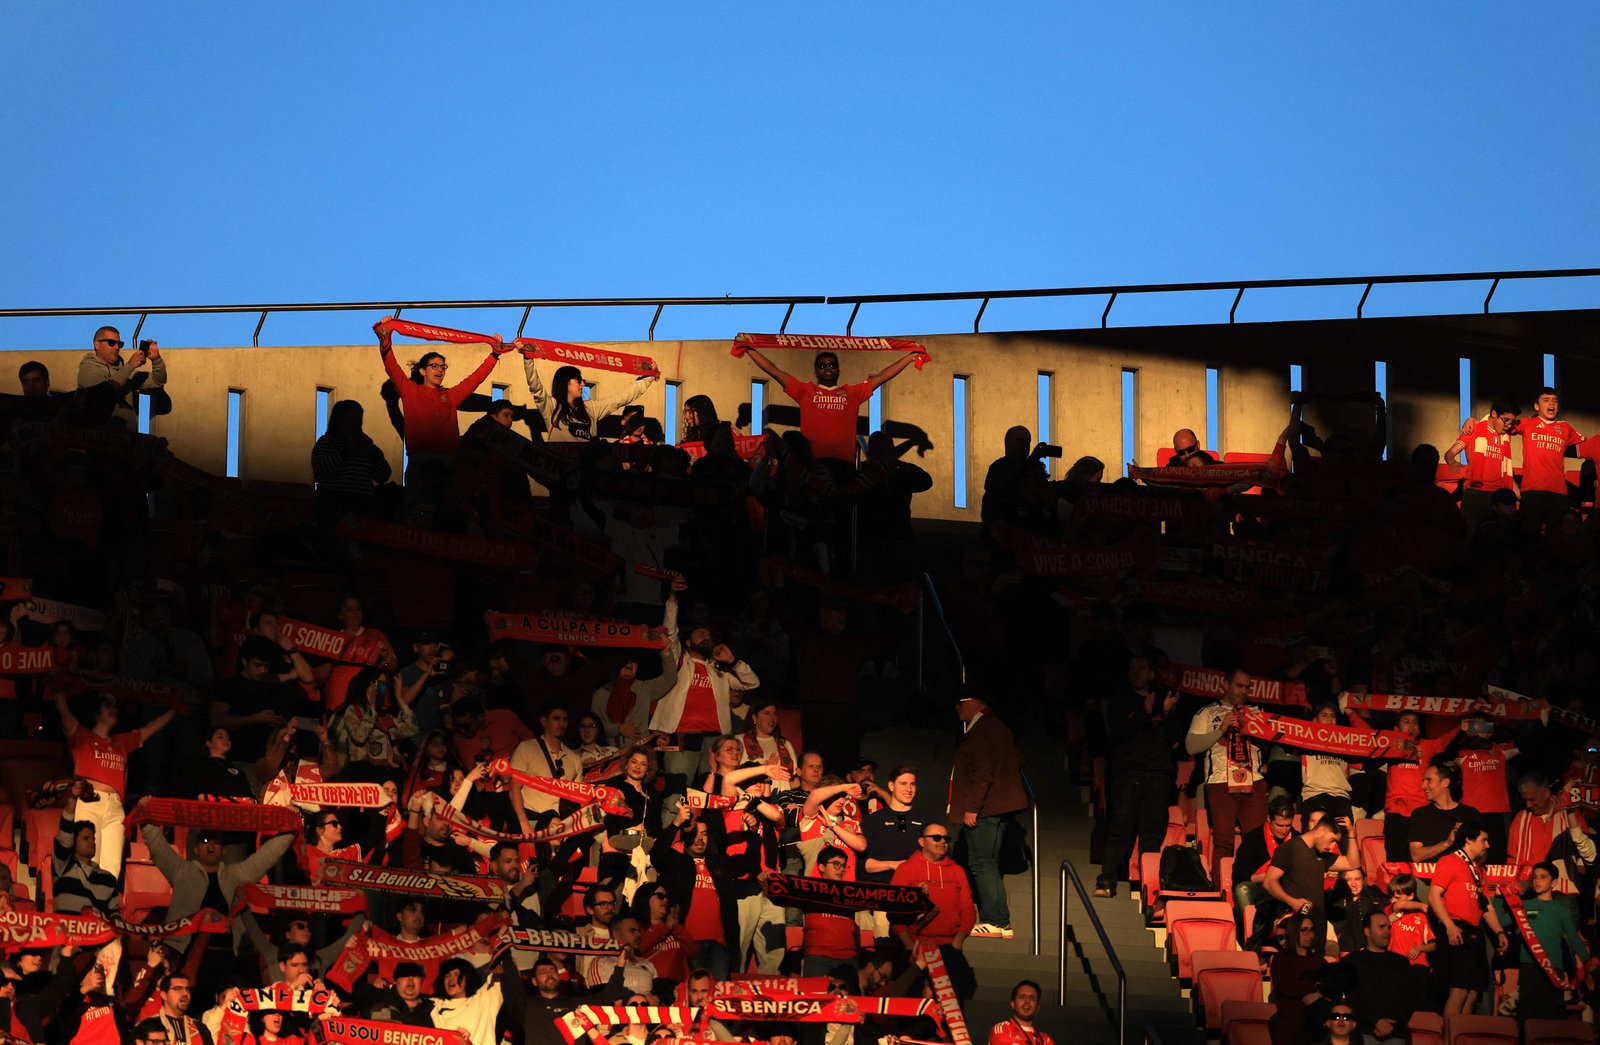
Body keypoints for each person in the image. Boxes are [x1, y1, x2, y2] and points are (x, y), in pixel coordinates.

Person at [52, 688, 177, 879]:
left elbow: (150, 729)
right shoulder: (82, 737)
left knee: (111, 870)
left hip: (116, 809)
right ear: (96, 712)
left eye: (114, 706)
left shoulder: (121, 742)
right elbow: (64, 712)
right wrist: (57, 689)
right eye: (107, 706)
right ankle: (85, 907)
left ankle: (104, 908)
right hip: (89, 803)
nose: (113, 709)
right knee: (87, 862)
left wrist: (174, 710)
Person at [374, 317, 510, 482]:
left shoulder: (451, 396)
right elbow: (391, 366)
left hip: (449, 462)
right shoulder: (409, 390)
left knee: (448, 507)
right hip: (421, 460)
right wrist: (386, 336)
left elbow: (474, 379)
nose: (440, 370)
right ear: (423, 371)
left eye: (443, 367)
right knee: (418, 506)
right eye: (435, 366)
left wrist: (495, 354)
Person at [736, 346, 921, 466]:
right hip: (812, 463)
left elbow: (881, 377)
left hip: (844, 464)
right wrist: (749, 349)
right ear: (815, 370)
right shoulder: (805, 391)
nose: (827, 368)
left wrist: (910, 358)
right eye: (822, 365)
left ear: (839, 371)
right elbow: (774, 371)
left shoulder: (852, 393)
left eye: (832, 365)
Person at [647, 590, 760, 785]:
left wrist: (732, 661)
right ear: (688, 642)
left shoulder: (719, 671)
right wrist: (672, 599)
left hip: (715, 740)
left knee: (711, 794)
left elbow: (752, 682)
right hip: (682, 736)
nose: (705, 637)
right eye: (700, 634)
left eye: (709, 636)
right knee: (677, 793)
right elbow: (670, 632)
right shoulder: (679, 661)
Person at [1095, 656, 1182, 898]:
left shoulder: (1164, 701)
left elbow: (1176, 740)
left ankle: (1149, 886)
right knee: (1121, 827)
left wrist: (1165, 713)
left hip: (1157, 775)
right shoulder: (1120, 701)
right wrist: (1145, 713)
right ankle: (1106, 880)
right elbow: (1118, 733)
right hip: (1127, 772)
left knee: (1151, 833)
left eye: (1141, 668)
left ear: (1152, 674)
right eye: (1131, 668)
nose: (1135, 672)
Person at [951, 694, 1029, 938]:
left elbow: (984, 772)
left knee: (982, 863)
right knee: (988, 863)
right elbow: (1017, 759)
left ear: (975, 702)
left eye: (961, 703)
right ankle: (1000, 922)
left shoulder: (984, 728)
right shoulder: (997, 728)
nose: (957, 708)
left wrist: (973, 807)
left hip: (986, 809)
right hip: (996, 807)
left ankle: (995, 920)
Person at [1185, 667, 1267, 884]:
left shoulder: (1256, 712)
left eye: (1247, 687)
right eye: (1239, 686)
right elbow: (1191, 747)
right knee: (1223, 841)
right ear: (1225, 685)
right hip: (1220, 782)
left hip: (1254, 782)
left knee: (1257, 841)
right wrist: (1221, 730)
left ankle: (1253, 889)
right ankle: (1223, 888)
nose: (1244, 691)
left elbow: (1273, 741)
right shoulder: (1207, 712)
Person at [1427, 824, 1511, 1017]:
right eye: (1483, 840)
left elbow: (1485, 904)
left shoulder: (1477, 869)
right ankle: (1450, 1037)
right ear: (1468, 840)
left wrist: (1498, 931)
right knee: (1459, 990)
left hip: (1475, 932)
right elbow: (1434, 895)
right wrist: (1449, 925)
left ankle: (1460, 1035)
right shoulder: (1449, 861)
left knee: (1473, 992)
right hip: (1457, 929)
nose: (1488, 845)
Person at [1492, 861, 1589, 1021]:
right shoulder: (1523, 906)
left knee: (1551, 1014)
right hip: (1529, 966)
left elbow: (1573, 937)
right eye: (1535, 877)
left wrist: (1587, 963)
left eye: (1543, 877)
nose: (1537, 881)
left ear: (1554, 883)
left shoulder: (1561, 910)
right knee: (1528, 1013)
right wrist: (1497, 897)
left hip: (1553, 969)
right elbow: (1501, 921)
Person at [1262, 810, 1355, 953]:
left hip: (1318, 921)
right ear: (1320, 830)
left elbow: (1352, 863)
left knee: (1316, 967)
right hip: (1296, 922)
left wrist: (1351, 833)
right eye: (1332, 840)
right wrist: (1291, 901)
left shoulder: (1322, 854)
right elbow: (1269, 882)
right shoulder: (1290, 848)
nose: (1332, 846)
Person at [521, 356, 655, 443]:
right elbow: (536, 387)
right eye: (579, 380)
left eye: (583, 381)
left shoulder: (591, 408)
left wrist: (649, 377)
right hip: (562, 476)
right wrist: (528, 359)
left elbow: (621, 398)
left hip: (586, 476)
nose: (583, 384)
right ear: (565, 382)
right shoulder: (551, 406)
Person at [1338, 911, 1417, 1044]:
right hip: (1363, 1033)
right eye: (1381, 927)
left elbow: (1409, 997)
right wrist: (1376, 1021)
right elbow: (1352, 998)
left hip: (1396, 1033)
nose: (1387, 931)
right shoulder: (1352, 961)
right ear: (1367, 932)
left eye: (1388, 927)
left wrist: (1392, 1023)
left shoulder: (1401, 962)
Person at [1507, 771, 1595, 891]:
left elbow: (1585, 850)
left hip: (1563, 890)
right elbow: (1512, 859)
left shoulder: (1568, 813)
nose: (1528, 805)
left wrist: (1579, 870)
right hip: (1529, 889)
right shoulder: (1520, 819)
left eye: (1532, 799)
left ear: (1546, 793)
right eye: (1525, 800)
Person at [1443, 394, 1519, 530]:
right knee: (1470, 534)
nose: (1508, 425)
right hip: (1476, 493)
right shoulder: (1474, 428)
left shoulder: (1506, 436)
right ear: (1494, 414)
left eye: (1512, 422)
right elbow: (1450, 453)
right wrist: (1451, 460)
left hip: (1499, 495)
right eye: (1506, 420)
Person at [311, 399, 392, 526]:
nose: (356, 423)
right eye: (352, 418)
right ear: (340, 419)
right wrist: (346, 450)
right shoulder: (327, 442)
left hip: (363, 507)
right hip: (333, 504)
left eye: (359, 418)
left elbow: (384, 476)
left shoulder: (367, 447)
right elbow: (321, 470)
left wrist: (374, 454)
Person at [508, 702, 584, 833]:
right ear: (544, 721)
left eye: (564, 719)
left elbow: (578, 797)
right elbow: (514, 788)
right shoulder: (526, 748)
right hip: (532, 820)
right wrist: (523, 823)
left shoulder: (574, 758)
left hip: (561, 824)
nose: (561, 723)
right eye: (556, 718)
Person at [1516, 386, 1583, 533]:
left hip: (1558, 492)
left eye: (1555, 401)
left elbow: (1587, 446)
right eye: (1546, 400)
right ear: (1537, 406)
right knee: (1529, 535)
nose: (1551, 404)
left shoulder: (1565, 427)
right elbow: (1503, 424)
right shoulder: (1527, 423)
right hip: (1532, 490)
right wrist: (1474, 421)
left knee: (1556, 537)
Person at [52, 780, 120, 916]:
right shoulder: (63, 866)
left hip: (96, 936)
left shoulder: (108, 879)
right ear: (74, 842)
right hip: (66, 934)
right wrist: (72, 800)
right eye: (85, 838)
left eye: (93, 838)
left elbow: (115, 917)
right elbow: (65, 833)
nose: (92, 842)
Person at [77, 326, 166, 426]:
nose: (116, 347)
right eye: (111, 343)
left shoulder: (124, 371)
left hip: (125, 436)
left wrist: (156, 360)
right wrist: (130, 366)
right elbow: (100, 394)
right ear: (97, 344)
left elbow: (157, 382)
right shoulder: (89, 367)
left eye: (119, 344)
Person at [1407, 762, 1481, 866]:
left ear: (1445, 783)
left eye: (1429, 780)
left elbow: (1482, 855)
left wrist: (1467, 837)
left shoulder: (1470, 814)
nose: (1423, 786)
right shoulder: (1420, 815)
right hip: (1430, 879)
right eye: (1423, 781)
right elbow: (1416, 855)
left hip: (1462, 878)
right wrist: (1447, 843)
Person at [1233, 796, 1296, 912]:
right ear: (1268, 819)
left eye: (1288, 825)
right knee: (1242, 889)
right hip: (1260, 889)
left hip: (1288, 890)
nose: (1284, 830)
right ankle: (1253, 928)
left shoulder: (1297, 839)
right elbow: (1238, 875)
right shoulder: (1253, 838)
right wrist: (1267, 877)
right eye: (1279, 825)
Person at [987, 980, 1055, 1045]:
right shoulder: (1002, 1030)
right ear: (1012, 1004)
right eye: (1022, 997)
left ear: (1038, 1007)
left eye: (1032, 998)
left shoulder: (1045, 1040)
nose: (1027, 1001)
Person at [155, 973, 213, 1045]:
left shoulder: (200, 1028)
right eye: (178, 989)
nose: (185, 993)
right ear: (164, 995)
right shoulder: (150, 1026)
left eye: (187, 989)